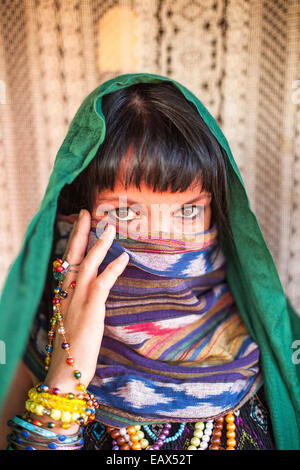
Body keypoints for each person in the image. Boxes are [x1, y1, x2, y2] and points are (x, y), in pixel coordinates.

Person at [0, 73, 299, 451]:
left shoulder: (269, 334)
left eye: (189, 210)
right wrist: (65, 377)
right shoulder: (30, 342)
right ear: (76, 218)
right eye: (125, 214)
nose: (163, 241)